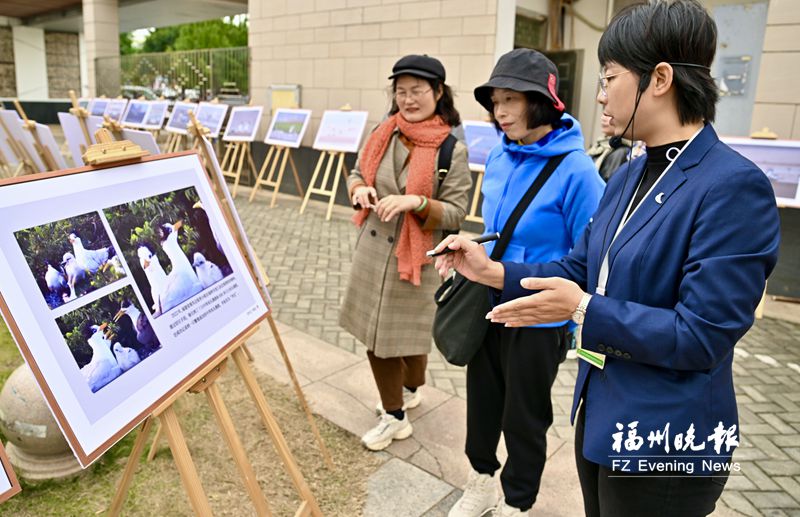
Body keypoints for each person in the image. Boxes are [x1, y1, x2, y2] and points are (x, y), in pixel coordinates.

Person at [432, 1, 780, 515]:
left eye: (609, 77)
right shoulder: (628, 174)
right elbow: (580, 267)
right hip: (601, 417)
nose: (598, 95)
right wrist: (492, 270)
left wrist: (583, 310)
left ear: (658, 79)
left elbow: (702, 334)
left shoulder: (732, 186)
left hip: (665, 437)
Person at [447, 49, 604, 517]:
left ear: (541, 102)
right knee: (482, 405)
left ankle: (518, 502)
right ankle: (480, 482)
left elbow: (590, 257)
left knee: (525, 417)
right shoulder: (498, 155)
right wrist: (466, 250)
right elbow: (498, 230)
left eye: (511, 99)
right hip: (487, 304)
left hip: (537, 316)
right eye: (495, 100)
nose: (500, 111)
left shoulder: (578, 172)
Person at [339, 54, 471, 451]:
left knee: (407, 336)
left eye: (417, 91)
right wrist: (358, 189)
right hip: (373, 254)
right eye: (401, 91)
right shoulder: (383, 131)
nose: (408, 99)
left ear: (438, 93)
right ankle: (400, 407)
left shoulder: (451, 149)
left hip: (418, 259)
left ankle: (403, 403)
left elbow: (457, 212)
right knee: (380, 339)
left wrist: (415, 202)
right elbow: (357, 171)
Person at [585, 114, 644, 181]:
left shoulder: (621, 152)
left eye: (608, 115)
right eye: (603, 114)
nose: (603, 118)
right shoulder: (598, 145)